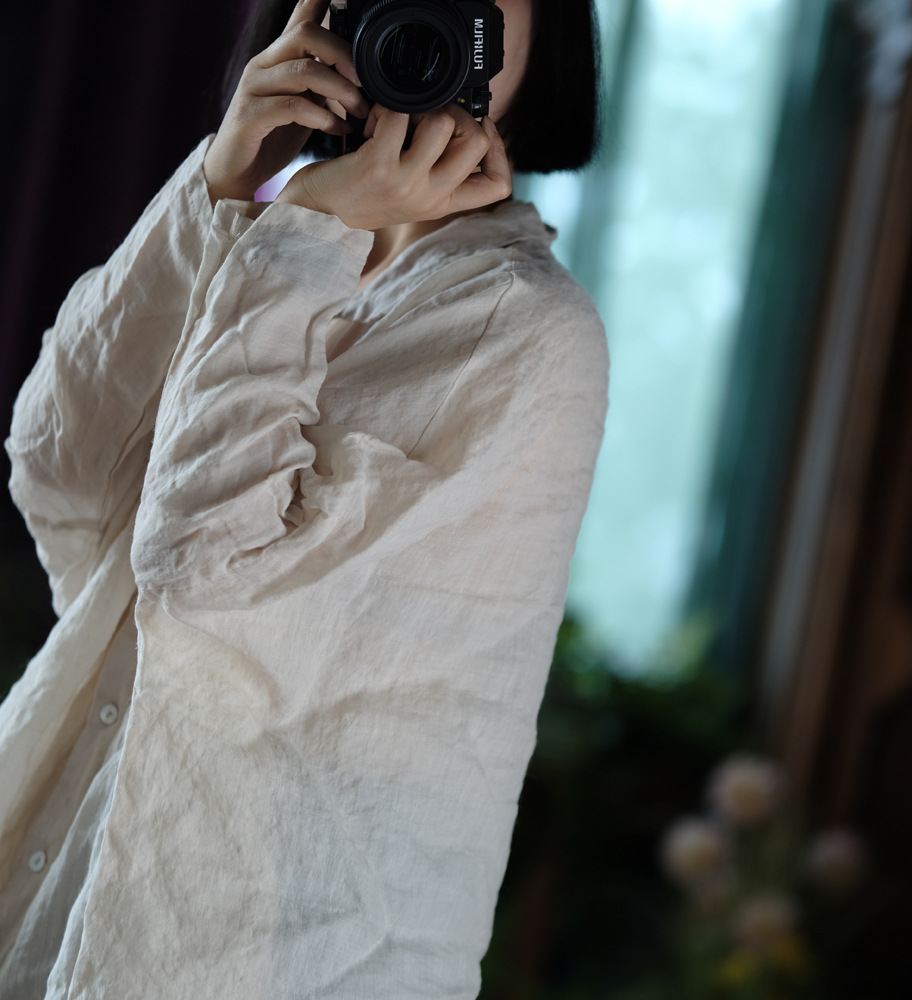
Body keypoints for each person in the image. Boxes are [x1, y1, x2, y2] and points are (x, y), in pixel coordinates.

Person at [0, 0, 607, 995]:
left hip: (265, 950)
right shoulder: (278, 231)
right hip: (65, 864)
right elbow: (58, 466)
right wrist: (223, 184)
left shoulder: (522, 329)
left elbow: (208, 578)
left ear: (547, 39)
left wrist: (305, 229)